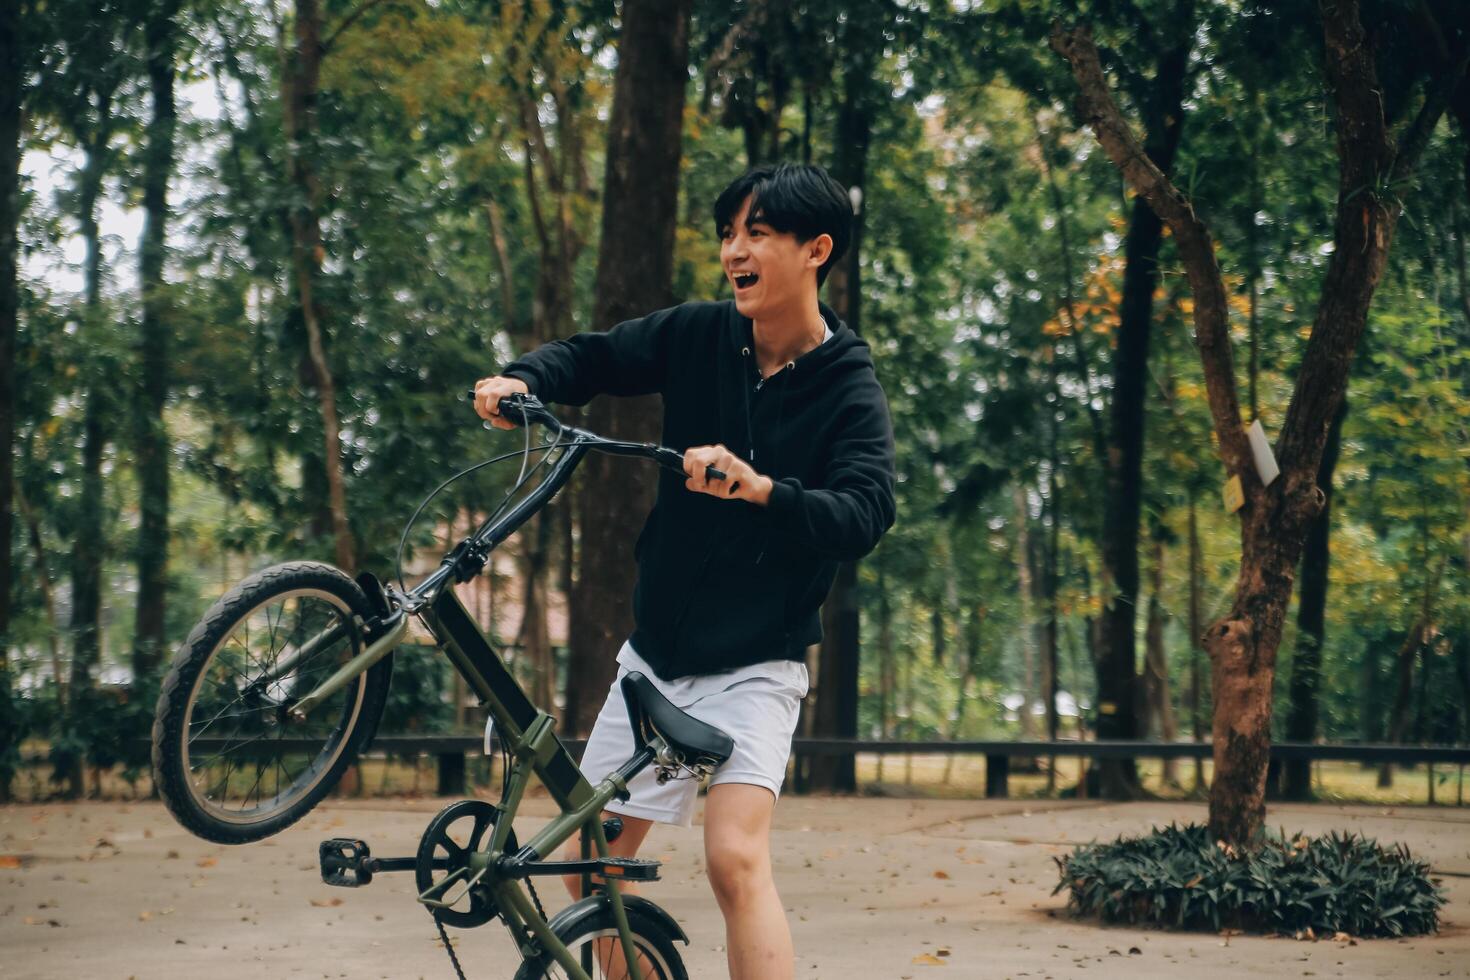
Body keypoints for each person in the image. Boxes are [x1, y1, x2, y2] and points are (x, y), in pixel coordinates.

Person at [472, 162, 896, 980]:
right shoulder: (702, 334)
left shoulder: (849, 385)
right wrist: (525, 377)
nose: (735, 250)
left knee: (734, 858)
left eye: (757, 233)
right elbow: (597, 357)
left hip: (756, 666)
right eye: (729, 234)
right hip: (656, 656)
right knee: (589, 866)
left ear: (817, 250)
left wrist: (764, 489)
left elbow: (865, 513)